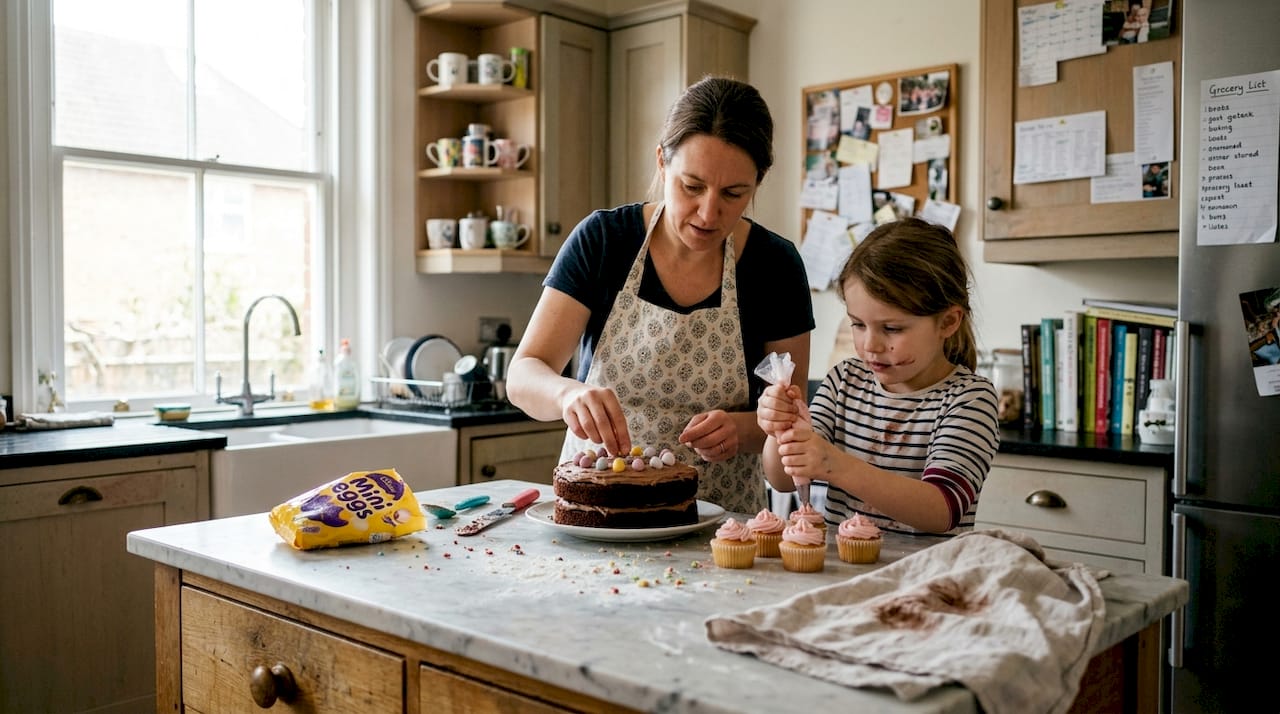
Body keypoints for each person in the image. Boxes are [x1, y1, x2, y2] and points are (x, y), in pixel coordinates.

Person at [508, 76, 815, 514]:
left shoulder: (775, 266)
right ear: (661, 163)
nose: (709, 213)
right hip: (599, 514)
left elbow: (788, 422)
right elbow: (523, 375)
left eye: (733, 194)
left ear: (757, 183)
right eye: (691, 186)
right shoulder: (604, 242)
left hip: (722, 529)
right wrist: (566, 395)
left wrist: (743, 429)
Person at [757, 217, 999, 536]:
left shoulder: (969, 400)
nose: (870, 345)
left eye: (892, 328)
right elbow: (782, 479)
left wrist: (833, 464)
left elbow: (943, 510)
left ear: (948, 322)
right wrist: (780, 430)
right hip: (843, 574)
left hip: (928, 577)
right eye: (858, 324)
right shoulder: (844, 381)